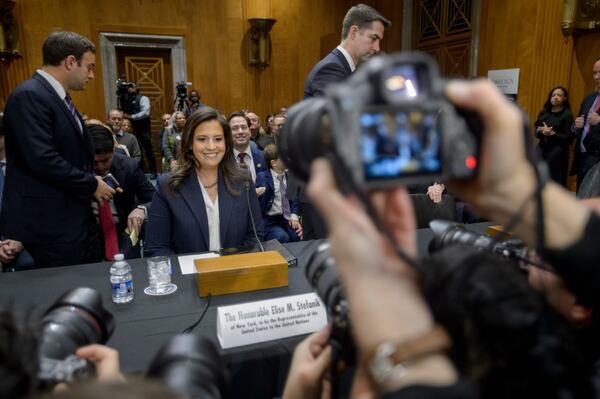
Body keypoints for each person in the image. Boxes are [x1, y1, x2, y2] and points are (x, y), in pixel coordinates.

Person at [1, 31, 114, 268]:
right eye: (89, 67)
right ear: (70, 62)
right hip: (50, 222)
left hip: (71, 217)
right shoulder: (30, 96)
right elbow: (42, 158)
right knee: (65, 291)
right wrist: (91, 183)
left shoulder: (55, 97)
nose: (92, 75)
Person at [145, 107, 263, 256]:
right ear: (189, 143)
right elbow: (157, 248)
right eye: (202, 139)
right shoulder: (168, 186)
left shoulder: (243, 180)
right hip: (187, 276)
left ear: (226, 143)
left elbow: (255, 235)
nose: (211, 146)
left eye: (218, 139)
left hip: (233, 274)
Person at [88, 123, 155, 260]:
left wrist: (142, 209)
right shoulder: (75, 169)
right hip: (89, 232)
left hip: (124, 229)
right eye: (95, 162)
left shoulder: (129, 166)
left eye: (105, 160)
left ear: (113, 150)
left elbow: (155, 199)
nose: (100, 167)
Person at [303, 3, 390, 98]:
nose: (377, 48)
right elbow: (338, 112)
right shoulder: (330, 69)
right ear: (354, 32)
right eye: (373, 38)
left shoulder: (348, 68)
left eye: (378, 41)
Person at [255, 144, 302, 243]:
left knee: (296, 236)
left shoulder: (290, 176)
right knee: (282, 237)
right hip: (269, 221)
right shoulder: (262, 177)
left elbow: (295, 199)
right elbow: (254, 200)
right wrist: (256, 194)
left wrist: (294, 216)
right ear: (274, 163)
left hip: (286, 218)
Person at [534, 86, 574, 187]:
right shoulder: (544, 112)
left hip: (557, 154)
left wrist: (553, 134)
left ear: (564, 98)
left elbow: (569, 138)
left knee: (553, 183)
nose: (555, 97)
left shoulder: (567, 115)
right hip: (542, 150)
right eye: (553, 95)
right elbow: (536, 132)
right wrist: (543, 133)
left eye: (559, 95)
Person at [572, 57, 600, 190]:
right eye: (594, 73)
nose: (596, 77)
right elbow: (578, 125)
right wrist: (575, 126)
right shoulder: (589, 98)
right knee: (581, 198)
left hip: (597, 160)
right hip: (582, 157)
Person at [122, 82, 157, 177]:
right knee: (137, 150)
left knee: (148, 150)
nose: (129, 89)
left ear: (137, 87)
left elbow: (145, 112)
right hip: (132, 128)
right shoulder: (127, 99)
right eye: (128, 87)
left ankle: (153, 172)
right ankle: (141, 172)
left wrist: (131, 116)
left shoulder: (143, 98)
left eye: (131, 86)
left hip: (143, 128)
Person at [227, 111, 267, 183]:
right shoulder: (223, 160)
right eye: (235, 128)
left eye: (244, 127)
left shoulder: (264, 157)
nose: (240, 132)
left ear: (249, 131)